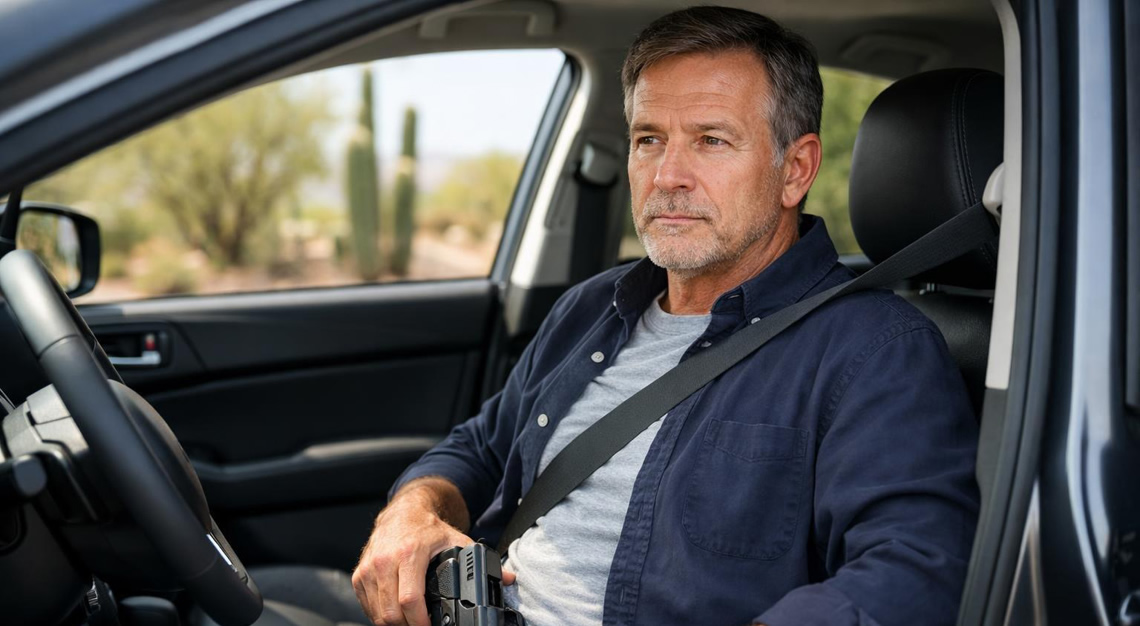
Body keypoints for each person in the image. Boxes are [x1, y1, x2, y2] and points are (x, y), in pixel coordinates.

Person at [352, 6, 979, 626]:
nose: (667, 175)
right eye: (649, 139)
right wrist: (411, 512)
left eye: (711, 140)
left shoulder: (877, 350)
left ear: (795, 170)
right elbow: (483, 448)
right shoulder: (590, 308)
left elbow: (910, 572)